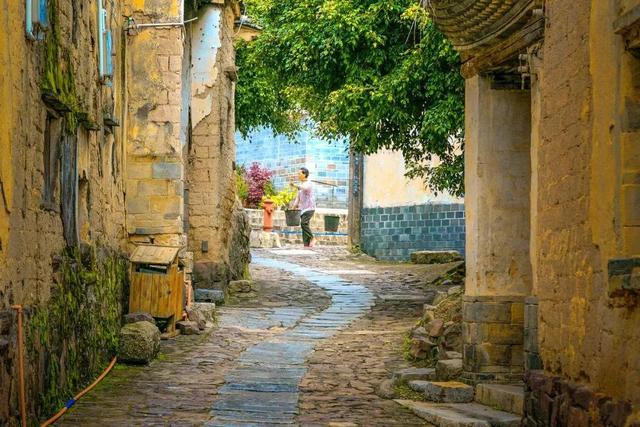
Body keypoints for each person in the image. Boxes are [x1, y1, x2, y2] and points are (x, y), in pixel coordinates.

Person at [290, 167, 317, 247]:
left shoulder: (308, 183)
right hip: (302, 209)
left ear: (304, 174)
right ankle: (306, 244)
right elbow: (297, 199)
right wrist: (293, 207)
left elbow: (305, 188)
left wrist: (294, 185)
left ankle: (312, 238)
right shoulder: (301, 185)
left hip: (310, 208)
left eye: (299, 173)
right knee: (304, 227)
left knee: (303, 223)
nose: (298, 175)